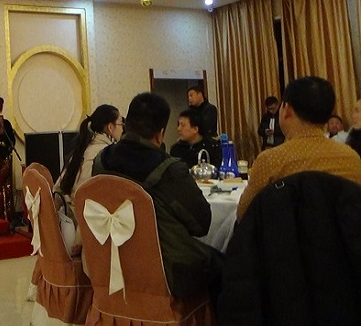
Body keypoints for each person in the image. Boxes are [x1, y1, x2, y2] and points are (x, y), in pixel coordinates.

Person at [93, 92, 222, 300]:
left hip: (111, 262)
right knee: (227, 265)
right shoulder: (168, 169)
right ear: (160, 134)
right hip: (164, 272)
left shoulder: (101, 161)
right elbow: (201, 223)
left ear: (126, 124)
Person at [237, 77, 361, 221]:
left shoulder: (270, 161)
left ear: (287, 110)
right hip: (341, 235)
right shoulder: (352, 159)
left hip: (284, 235)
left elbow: (243, 215)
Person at [54, 105, 123, 227]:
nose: (122, 129)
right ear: (110, 127)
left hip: (68, 222)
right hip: (87, 225)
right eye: (121, 124)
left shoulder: (82, 149)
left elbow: (58, 188)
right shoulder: (106, 154)